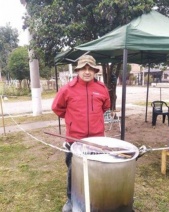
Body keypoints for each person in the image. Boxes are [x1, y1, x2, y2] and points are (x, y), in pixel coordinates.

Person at [52, 55, 111, 212]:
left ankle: (95, 197)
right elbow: (57, 108)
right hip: (74, 139)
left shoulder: (102, 89)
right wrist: (72, 119)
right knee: (74, 171)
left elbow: (105, 107)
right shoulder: (67, 89)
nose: (87, 72)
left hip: (97, 139)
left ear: (95, 71)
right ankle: (71, 200)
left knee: (97, 169)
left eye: (90, 69)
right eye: (83, 69)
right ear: (78, 70)